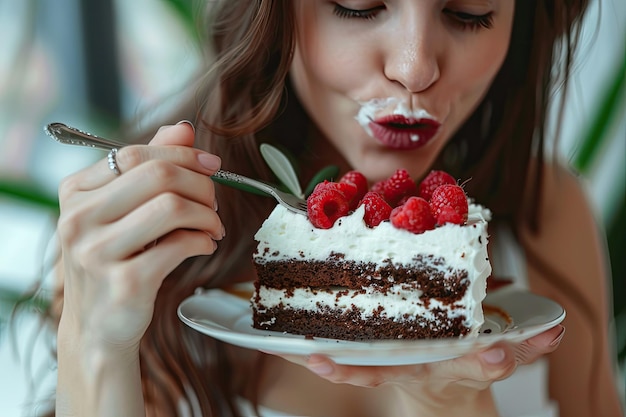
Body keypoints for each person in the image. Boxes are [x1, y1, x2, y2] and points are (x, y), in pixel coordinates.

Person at [46, 1, 623, 416]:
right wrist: (96, 347)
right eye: (357, 4)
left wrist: (451, 406)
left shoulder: (551, 214)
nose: (415, 67)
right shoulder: (136, 234)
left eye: (468, 12)